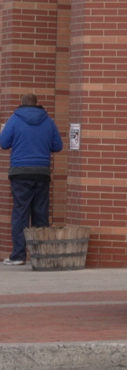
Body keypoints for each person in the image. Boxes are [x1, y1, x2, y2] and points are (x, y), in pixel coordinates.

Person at [0, 93, 63, 265]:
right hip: (42, 172)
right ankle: (40, 255)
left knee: (20, 212)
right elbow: (58, 146)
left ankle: (19, 256)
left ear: (21, 103)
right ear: (37, 104)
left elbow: (4, 143)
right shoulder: (48, 121)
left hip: (20, 172)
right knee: (41, 214)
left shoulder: (14, 119)